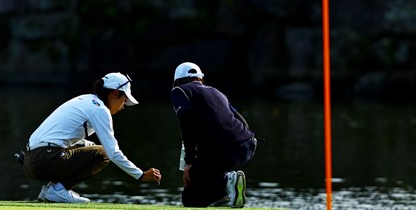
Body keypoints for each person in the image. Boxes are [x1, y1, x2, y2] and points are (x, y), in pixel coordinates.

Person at [22, 72, 162, 203]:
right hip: (43, 160)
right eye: (124, 100)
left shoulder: (86, 100)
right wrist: (140, 174)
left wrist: (88, 147)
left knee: (89, 146)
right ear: (114, 94)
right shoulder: (100, 109)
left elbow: (70, 141)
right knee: (104, 153)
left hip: (32, 160)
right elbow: (112, 152)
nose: (123, 106)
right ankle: (58, 189)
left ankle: (49, 191)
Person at [171, 62, 257, 208]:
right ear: (200, 79)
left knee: (190, 198)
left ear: (177, 81)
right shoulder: (216, 91)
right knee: (202, 193)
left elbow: (187, 127)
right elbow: (243, 123)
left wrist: (189, 162)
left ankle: (228, 181)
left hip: (223, 149)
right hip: (247, 144)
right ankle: (222, 195)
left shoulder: (179, 91)